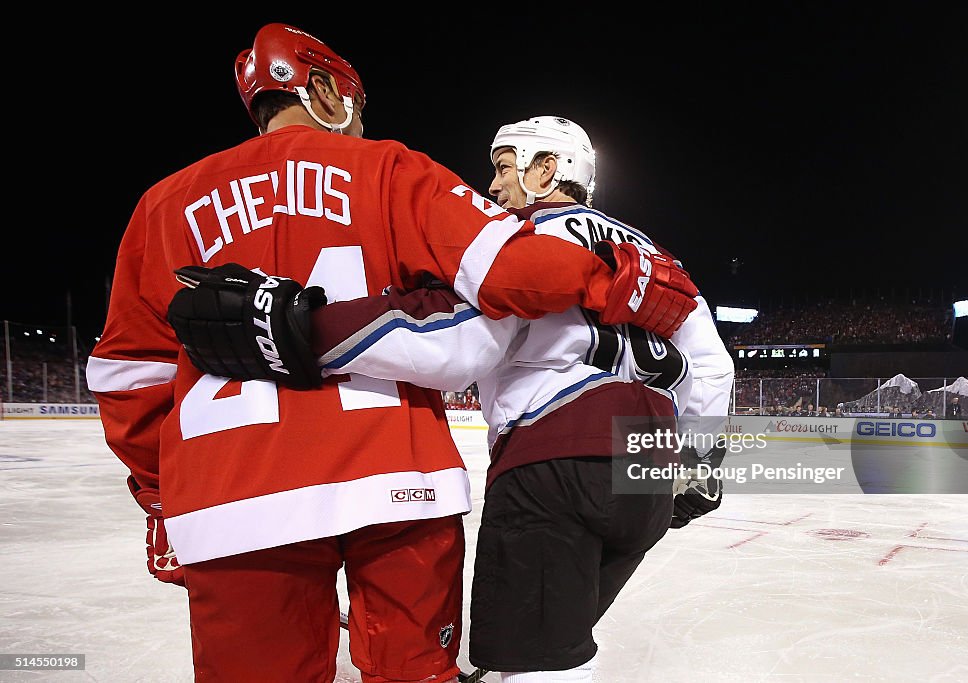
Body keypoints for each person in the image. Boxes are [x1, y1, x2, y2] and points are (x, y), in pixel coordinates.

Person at [85, 24, 700, 683]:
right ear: (324, 90)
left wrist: (160, 491)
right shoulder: (387, 169)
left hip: (232, 496)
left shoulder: (163, 205)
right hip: (396, 483)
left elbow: (129, 377)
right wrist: (614, 275)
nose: (357, 125)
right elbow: (511, 271)